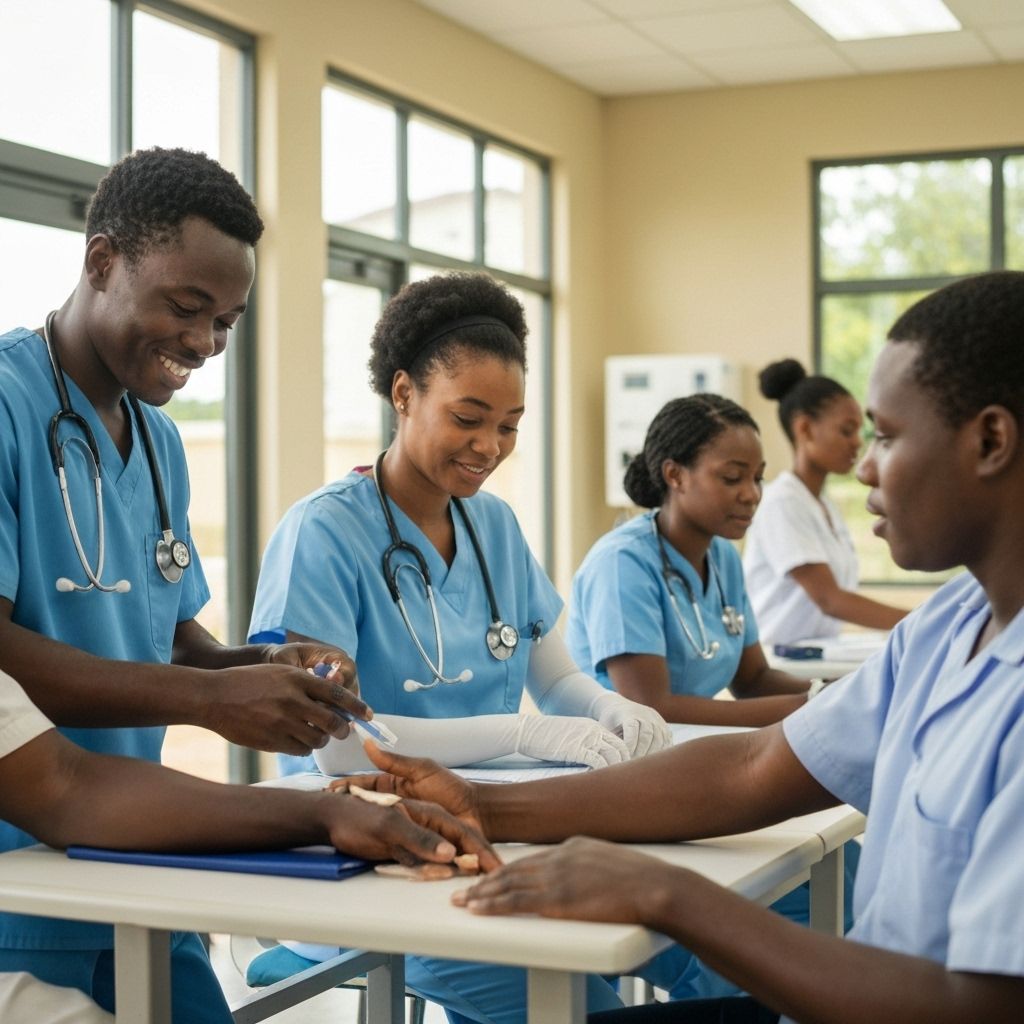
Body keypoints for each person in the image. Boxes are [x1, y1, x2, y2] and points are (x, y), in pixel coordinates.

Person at [351, 271, 1024, 1023]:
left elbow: (981, 1006)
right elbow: (751, 766)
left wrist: (663, 892)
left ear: (992, 440)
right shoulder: (946, 628)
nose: (863, 466)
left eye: (888, 437)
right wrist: (484, 803)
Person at [0, 148, 366, 1023]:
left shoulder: (158, 444)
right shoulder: (7, 406)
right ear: (101, 262)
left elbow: (169, 639)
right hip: (25, 870)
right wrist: (211, 702)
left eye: (227, 323)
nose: (203, 345)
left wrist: (264, 664)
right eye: (186, 307)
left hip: (140, 852)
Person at [248, 271, 673, 1022]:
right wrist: (524, 732)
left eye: (509, 425)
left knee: (701, 936)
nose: (490, 447)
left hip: (497, 824)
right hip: (366, 849)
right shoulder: (323, 533)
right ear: (404, 394)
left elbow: (555, 672)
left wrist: (610, 709)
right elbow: (343, 750)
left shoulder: (495, 527)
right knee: (577, 1000)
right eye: (468, 418)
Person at [0, 666, 493, 1023]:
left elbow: (70, 784)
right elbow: (62, 786)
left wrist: (251, 662)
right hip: (38, 903)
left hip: (150, 884)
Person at [567, 394, 811, 727]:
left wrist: (835, 691)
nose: (752, 494)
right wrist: (810, 706)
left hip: (681, 747)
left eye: (757, 478)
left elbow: (753, 680)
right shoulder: (622, 563)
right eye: (732, 478)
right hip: (613, 757)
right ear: (675, 475)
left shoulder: (723, 556)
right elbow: (650, 708)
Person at [742, 359, 906, 646]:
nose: (857, 442)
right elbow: (830, 599)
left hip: (816, 654)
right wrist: (920, 620)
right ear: (804, 429)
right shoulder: (782, 502)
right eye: (846, 430)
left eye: (859, 432)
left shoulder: (823, 506)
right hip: (779, 663)